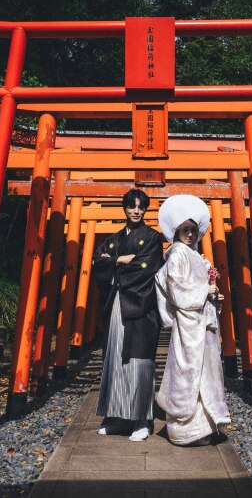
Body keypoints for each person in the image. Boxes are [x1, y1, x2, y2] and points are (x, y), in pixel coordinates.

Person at [154, 195, 231, 446]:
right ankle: (185, 431)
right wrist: (204, 292)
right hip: (189, 325)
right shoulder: (177, 254)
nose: (189, 234)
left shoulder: (196, 255)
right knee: (189, 372)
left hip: (202, 322)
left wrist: (213, 294)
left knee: (206, 372)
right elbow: (176, 288)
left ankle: (205, 426)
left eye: (192, 230)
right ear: (176, 232)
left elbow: (200, 286)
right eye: (184, 230)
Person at [92, 189, 164, 441]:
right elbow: (96, 263)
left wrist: (113, 262)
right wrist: (120, 259)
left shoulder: (153, 238)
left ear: (145, 210)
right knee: (114, 361)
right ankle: (115, 417)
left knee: (139, 363)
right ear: (124, 208)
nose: (136, 211)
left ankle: (142, 420)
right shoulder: (113, 240)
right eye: (132, 206)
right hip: (116, 306)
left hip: (141, 309)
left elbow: (147, 268)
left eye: (141, 207)